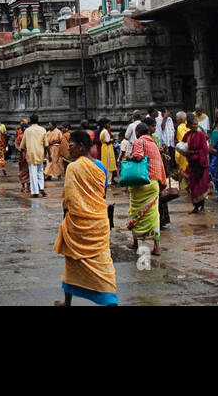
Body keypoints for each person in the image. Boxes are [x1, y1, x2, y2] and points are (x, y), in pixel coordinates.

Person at [55, 130, 117, 306]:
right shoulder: (100, 166)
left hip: (79, 221)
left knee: (73, 262)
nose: (69, 150)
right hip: (99, 220)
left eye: (72, 146)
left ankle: (69, 302)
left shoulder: (74, 167)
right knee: (103, 264)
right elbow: (102, 193)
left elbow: (69, 199)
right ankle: (108, 300)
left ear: (81, 147)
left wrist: (67, 219)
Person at [125, 122, 162, 256]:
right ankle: (157, 247)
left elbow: (138, 157)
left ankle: (135, 242)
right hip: (154, 183)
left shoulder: (139, 142)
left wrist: (128, 158)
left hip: (141, 183)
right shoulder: (154, 144)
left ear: (138, 133)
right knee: (153, 214)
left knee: (135, 211)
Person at [184, 120, 211, 213]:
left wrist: (194, 152)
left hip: (200, 163)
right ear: (189, 125)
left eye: (196, 124)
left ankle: (202, 206)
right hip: (192, 163)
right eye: (193, 124)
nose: (195, 126)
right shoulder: (187, 135)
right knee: (193, 184)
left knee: (201, 185)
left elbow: (205, 149)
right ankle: (195, 207)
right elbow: (183, 145)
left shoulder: (201, 135)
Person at [23, 114, 48, 197]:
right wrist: (48, 154)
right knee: (40, 171)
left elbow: (23, 144)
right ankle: (41, 187)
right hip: (40, 152)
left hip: (31, 153)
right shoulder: (43, 129)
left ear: (30, 121)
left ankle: (35, 191)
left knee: (33, 172)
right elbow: (46, 143)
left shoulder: (27, 130)